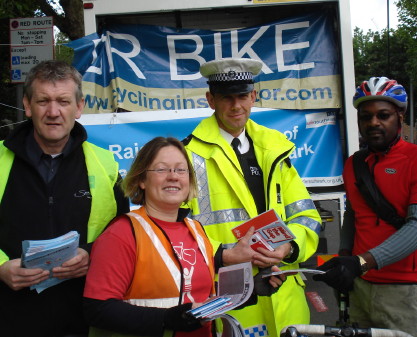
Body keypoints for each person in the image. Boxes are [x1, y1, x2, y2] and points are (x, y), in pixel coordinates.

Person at [83, 137, 285, 337]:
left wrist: (249, 291)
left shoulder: (196, 230)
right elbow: (98, 310)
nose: (173, 176)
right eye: (162, 169)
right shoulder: (121, 233)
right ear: (142, 180)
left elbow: (194, 293)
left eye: (181, 170)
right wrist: (168, 319)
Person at [183, 58, 322, 336]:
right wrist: (224, 254)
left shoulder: (275, 147)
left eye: (243, 96)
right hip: (229, 297)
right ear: (211, 100)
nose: (236, 106)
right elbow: (176, 232)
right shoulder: (187, 156)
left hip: (284, 292)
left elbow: (306, 215)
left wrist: (288, 248)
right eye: (226, 98)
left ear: (254, 96)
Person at [0, 60, 130, 337]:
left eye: (63, 101)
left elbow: (124, 231)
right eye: (43, 101)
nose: (53, 112)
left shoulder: (105, 163)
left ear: (79, 107)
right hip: (10, 317)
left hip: (84, 317)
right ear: (27, 106)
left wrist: (91, 253)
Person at [313, 77, 417, 337]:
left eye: (383, 115)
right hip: (362, 287)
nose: (373, 122)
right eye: (366, 116)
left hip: (408, 291)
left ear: (400, 116)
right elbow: (353, 214)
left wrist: (360, 262)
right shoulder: (354, 164)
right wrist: (343, 259)